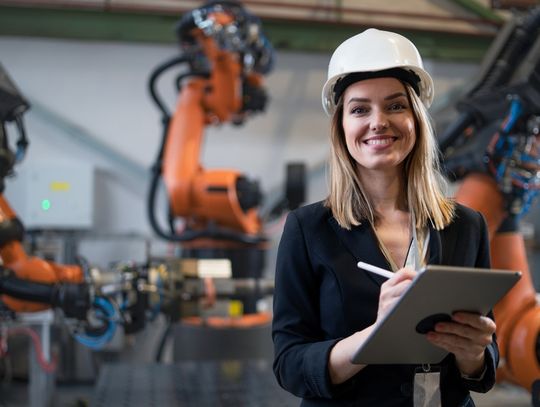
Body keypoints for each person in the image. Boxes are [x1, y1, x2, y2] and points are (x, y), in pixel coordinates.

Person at [272, 28, 498, 407]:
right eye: (360, 109)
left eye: (395, 106)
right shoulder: (308, 229)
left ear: (416, 120)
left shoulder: (466, 225)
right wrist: (377, 334)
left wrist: (474, 352)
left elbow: (484, 367)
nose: (378, 122)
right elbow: (290, 364)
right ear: (342, 127)